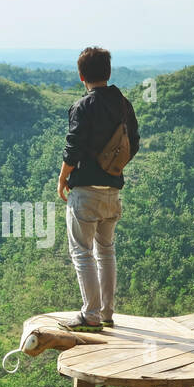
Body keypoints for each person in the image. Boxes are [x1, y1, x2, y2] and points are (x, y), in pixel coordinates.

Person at [57, 46, 140, 332]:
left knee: (82, 252)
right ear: (108, 72)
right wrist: (114, 166)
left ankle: (90, 315)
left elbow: (73, 147)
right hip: (112, 193)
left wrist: (62, 178)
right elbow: (135, 143)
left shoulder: (83, 107)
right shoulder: (123, 104)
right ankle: (106, 313)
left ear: (82, 76)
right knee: (106, 251)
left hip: (86, 193)